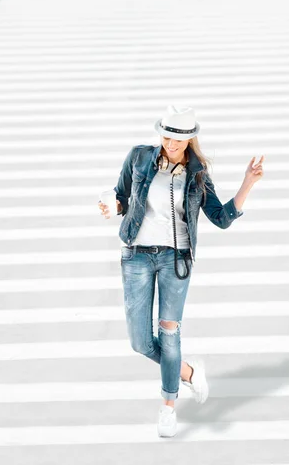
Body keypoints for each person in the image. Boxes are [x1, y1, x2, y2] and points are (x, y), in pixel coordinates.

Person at [98, 105, 264, 437]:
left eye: (177, 140)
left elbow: (220, 218)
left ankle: (168, 406)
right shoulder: (140, 158)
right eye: (166, 137)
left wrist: (247, 185)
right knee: (141, 343)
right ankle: (187, 372)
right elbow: (121, 197)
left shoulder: (197, 174)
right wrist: (111, 205)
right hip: (137, 256)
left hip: (176, 260)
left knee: (169, 333)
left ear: (189, 140)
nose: (170, 145)